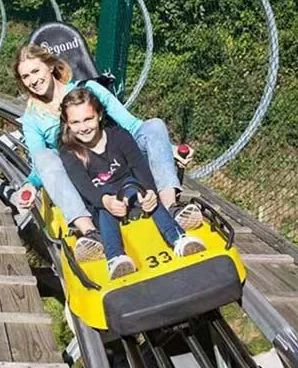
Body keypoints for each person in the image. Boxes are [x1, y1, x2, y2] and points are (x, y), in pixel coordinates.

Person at [12, 44, 202, 262]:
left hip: (115, 161)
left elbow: (132, 125)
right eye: (26, 76)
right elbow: (40, 162)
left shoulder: (88, 90)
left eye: (35, 71)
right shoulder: (33, 118)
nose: (33, 80)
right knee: (45, 156)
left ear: (50, 66)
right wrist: (31, 184)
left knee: (154, 125)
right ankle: (89, 232)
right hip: (80, 173)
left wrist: (168, 148)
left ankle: (170, 206)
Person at [59, 88, 206, 278]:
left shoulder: (119, 136)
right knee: (106, 209)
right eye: (75, 122)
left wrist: (150, 192)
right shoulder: (70, 152)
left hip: (129, 190)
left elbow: (139, 166)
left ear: (99, 115)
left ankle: (178, 239)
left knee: (140, 191)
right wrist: (106, 201)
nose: (83, 127)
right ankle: (115, 257)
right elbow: (85, 187)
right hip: (101, 202)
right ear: (68, 124)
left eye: (88, 119)